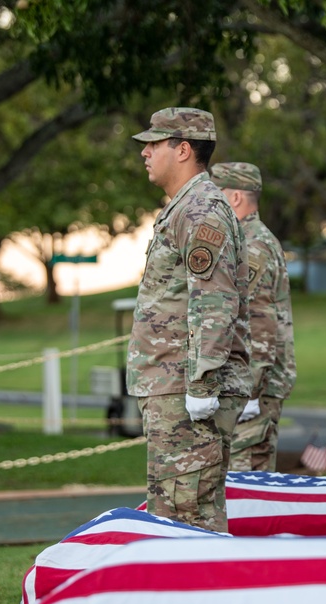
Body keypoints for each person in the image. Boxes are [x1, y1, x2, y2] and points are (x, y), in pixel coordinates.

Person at [126, 108, 252, 532]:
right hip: (173, 386)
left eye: (154, 143)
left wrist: (201, 384)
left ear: (183, 150)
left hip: (187, 391)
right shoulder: (186, 207)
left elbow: (214, 302)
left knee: (187, 518)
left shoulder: (201, 210)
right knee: (178, 513)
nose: (145, 152)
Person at [210, 161, 296, 472]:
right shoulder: (244, 238)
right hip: (250, 383)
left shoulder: (253, 245)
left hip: (253, 389)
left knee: (247, 483)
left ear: (234, 198)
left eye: (215, 194)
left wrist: (251, 391)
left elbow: (259, 323)